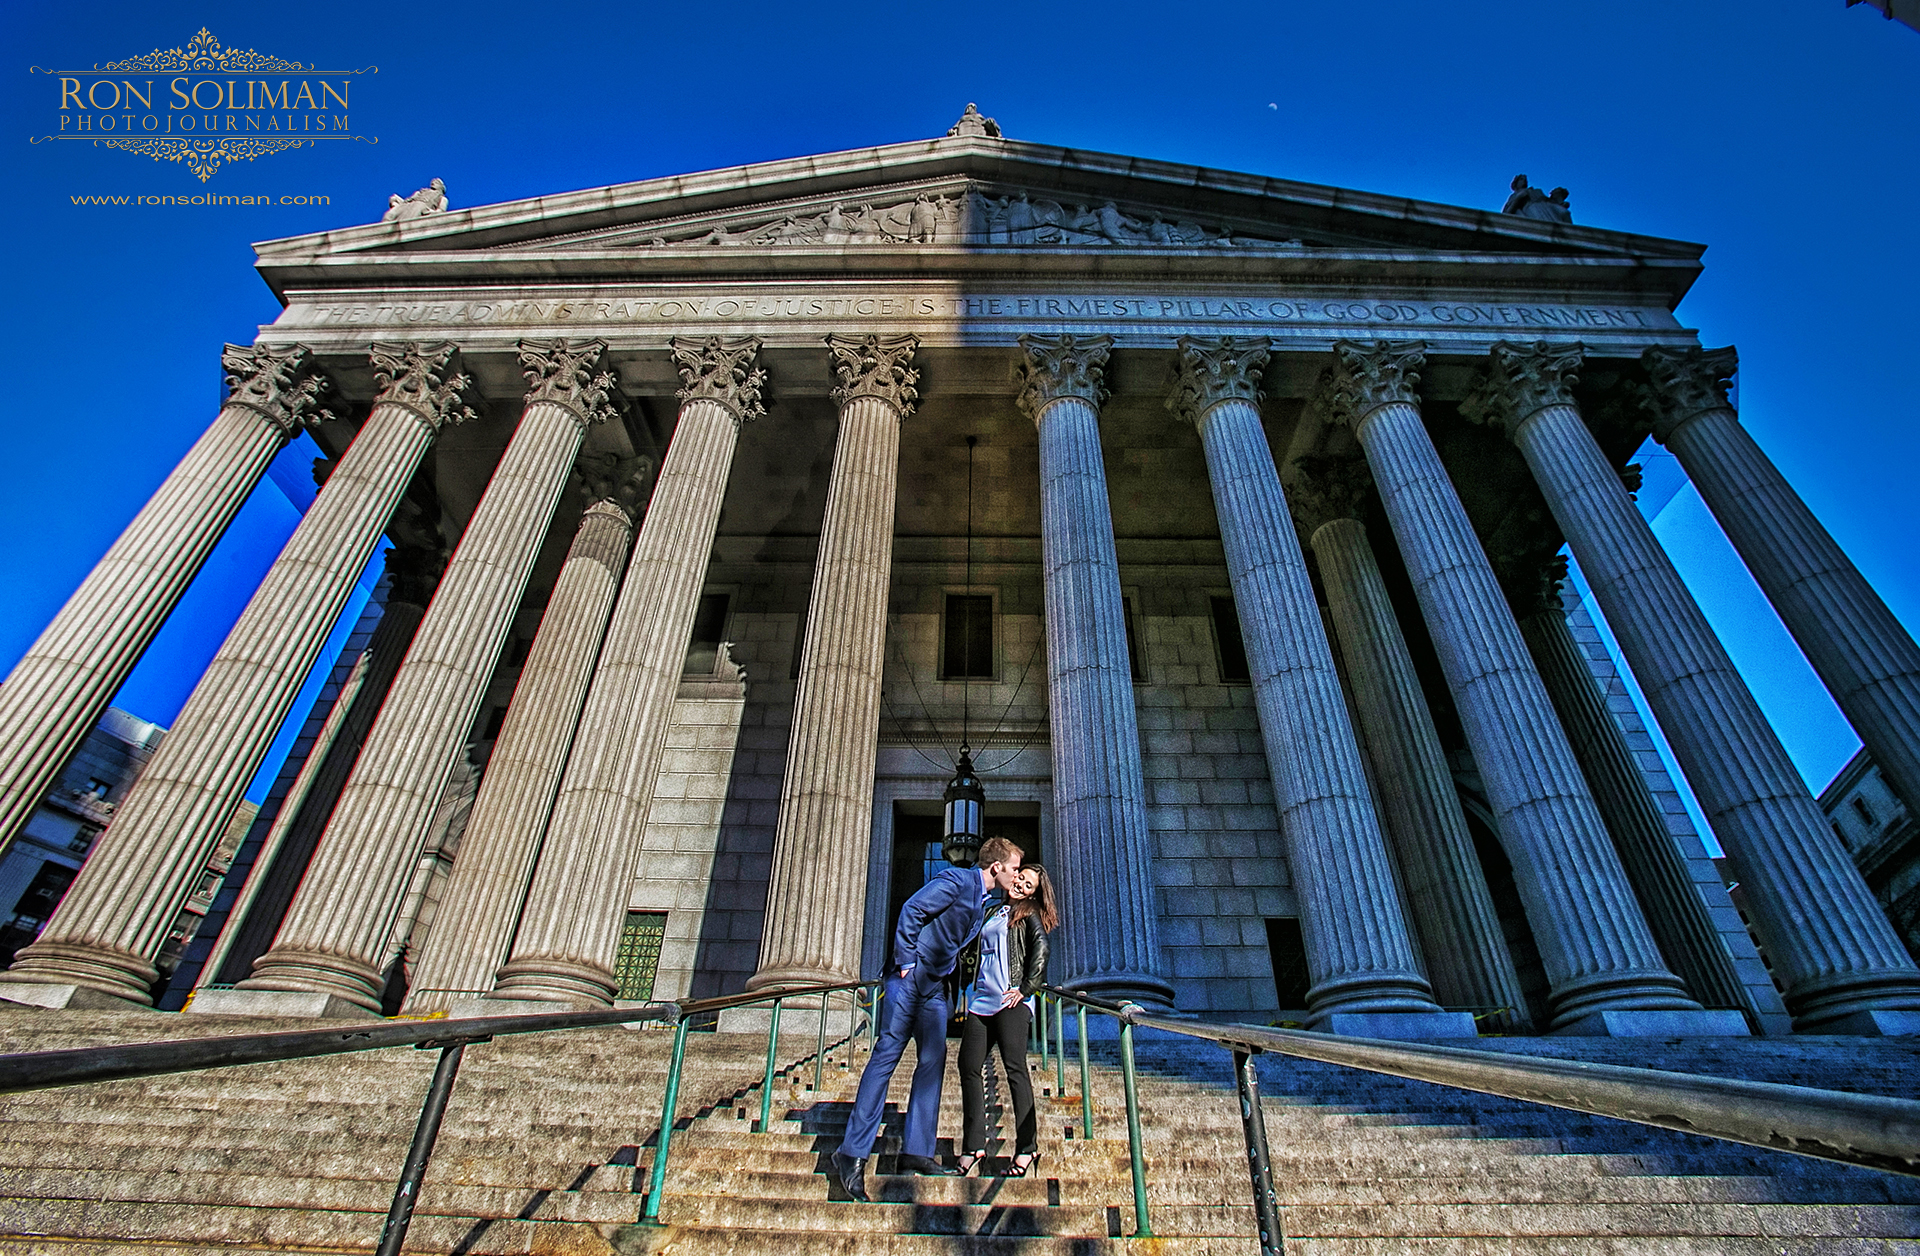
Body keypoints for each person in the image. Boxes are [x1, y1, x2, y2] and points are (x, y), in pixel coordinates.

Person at [831, 836, 1025, 1203]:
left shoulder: (985, 899)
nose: (1016, 876)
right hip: (910, 978)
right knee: (886, 1057)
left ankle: (916, 1152)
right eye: (1014, 869)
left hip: (935, 989)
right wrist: (906, 962)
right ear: (996, 866)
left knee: (933, 1061)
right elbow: (912, 910)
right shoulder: (956, 880)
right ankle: (851, 1154)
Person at [954, 862, 1059, 1178]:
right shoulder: (993, 912)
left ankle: (1027, 1148)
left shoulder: (1030, 915)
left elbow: (1041, 951)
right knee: (968, 1065)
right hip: (982, 1001)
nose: (1022, 886)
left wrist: (1025, 989)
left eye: (1029, 886)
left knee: (1015, 1069)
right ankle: (974, 1147)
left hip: (1012, 1002)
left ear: (1034, 894)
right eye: (1021, 878)